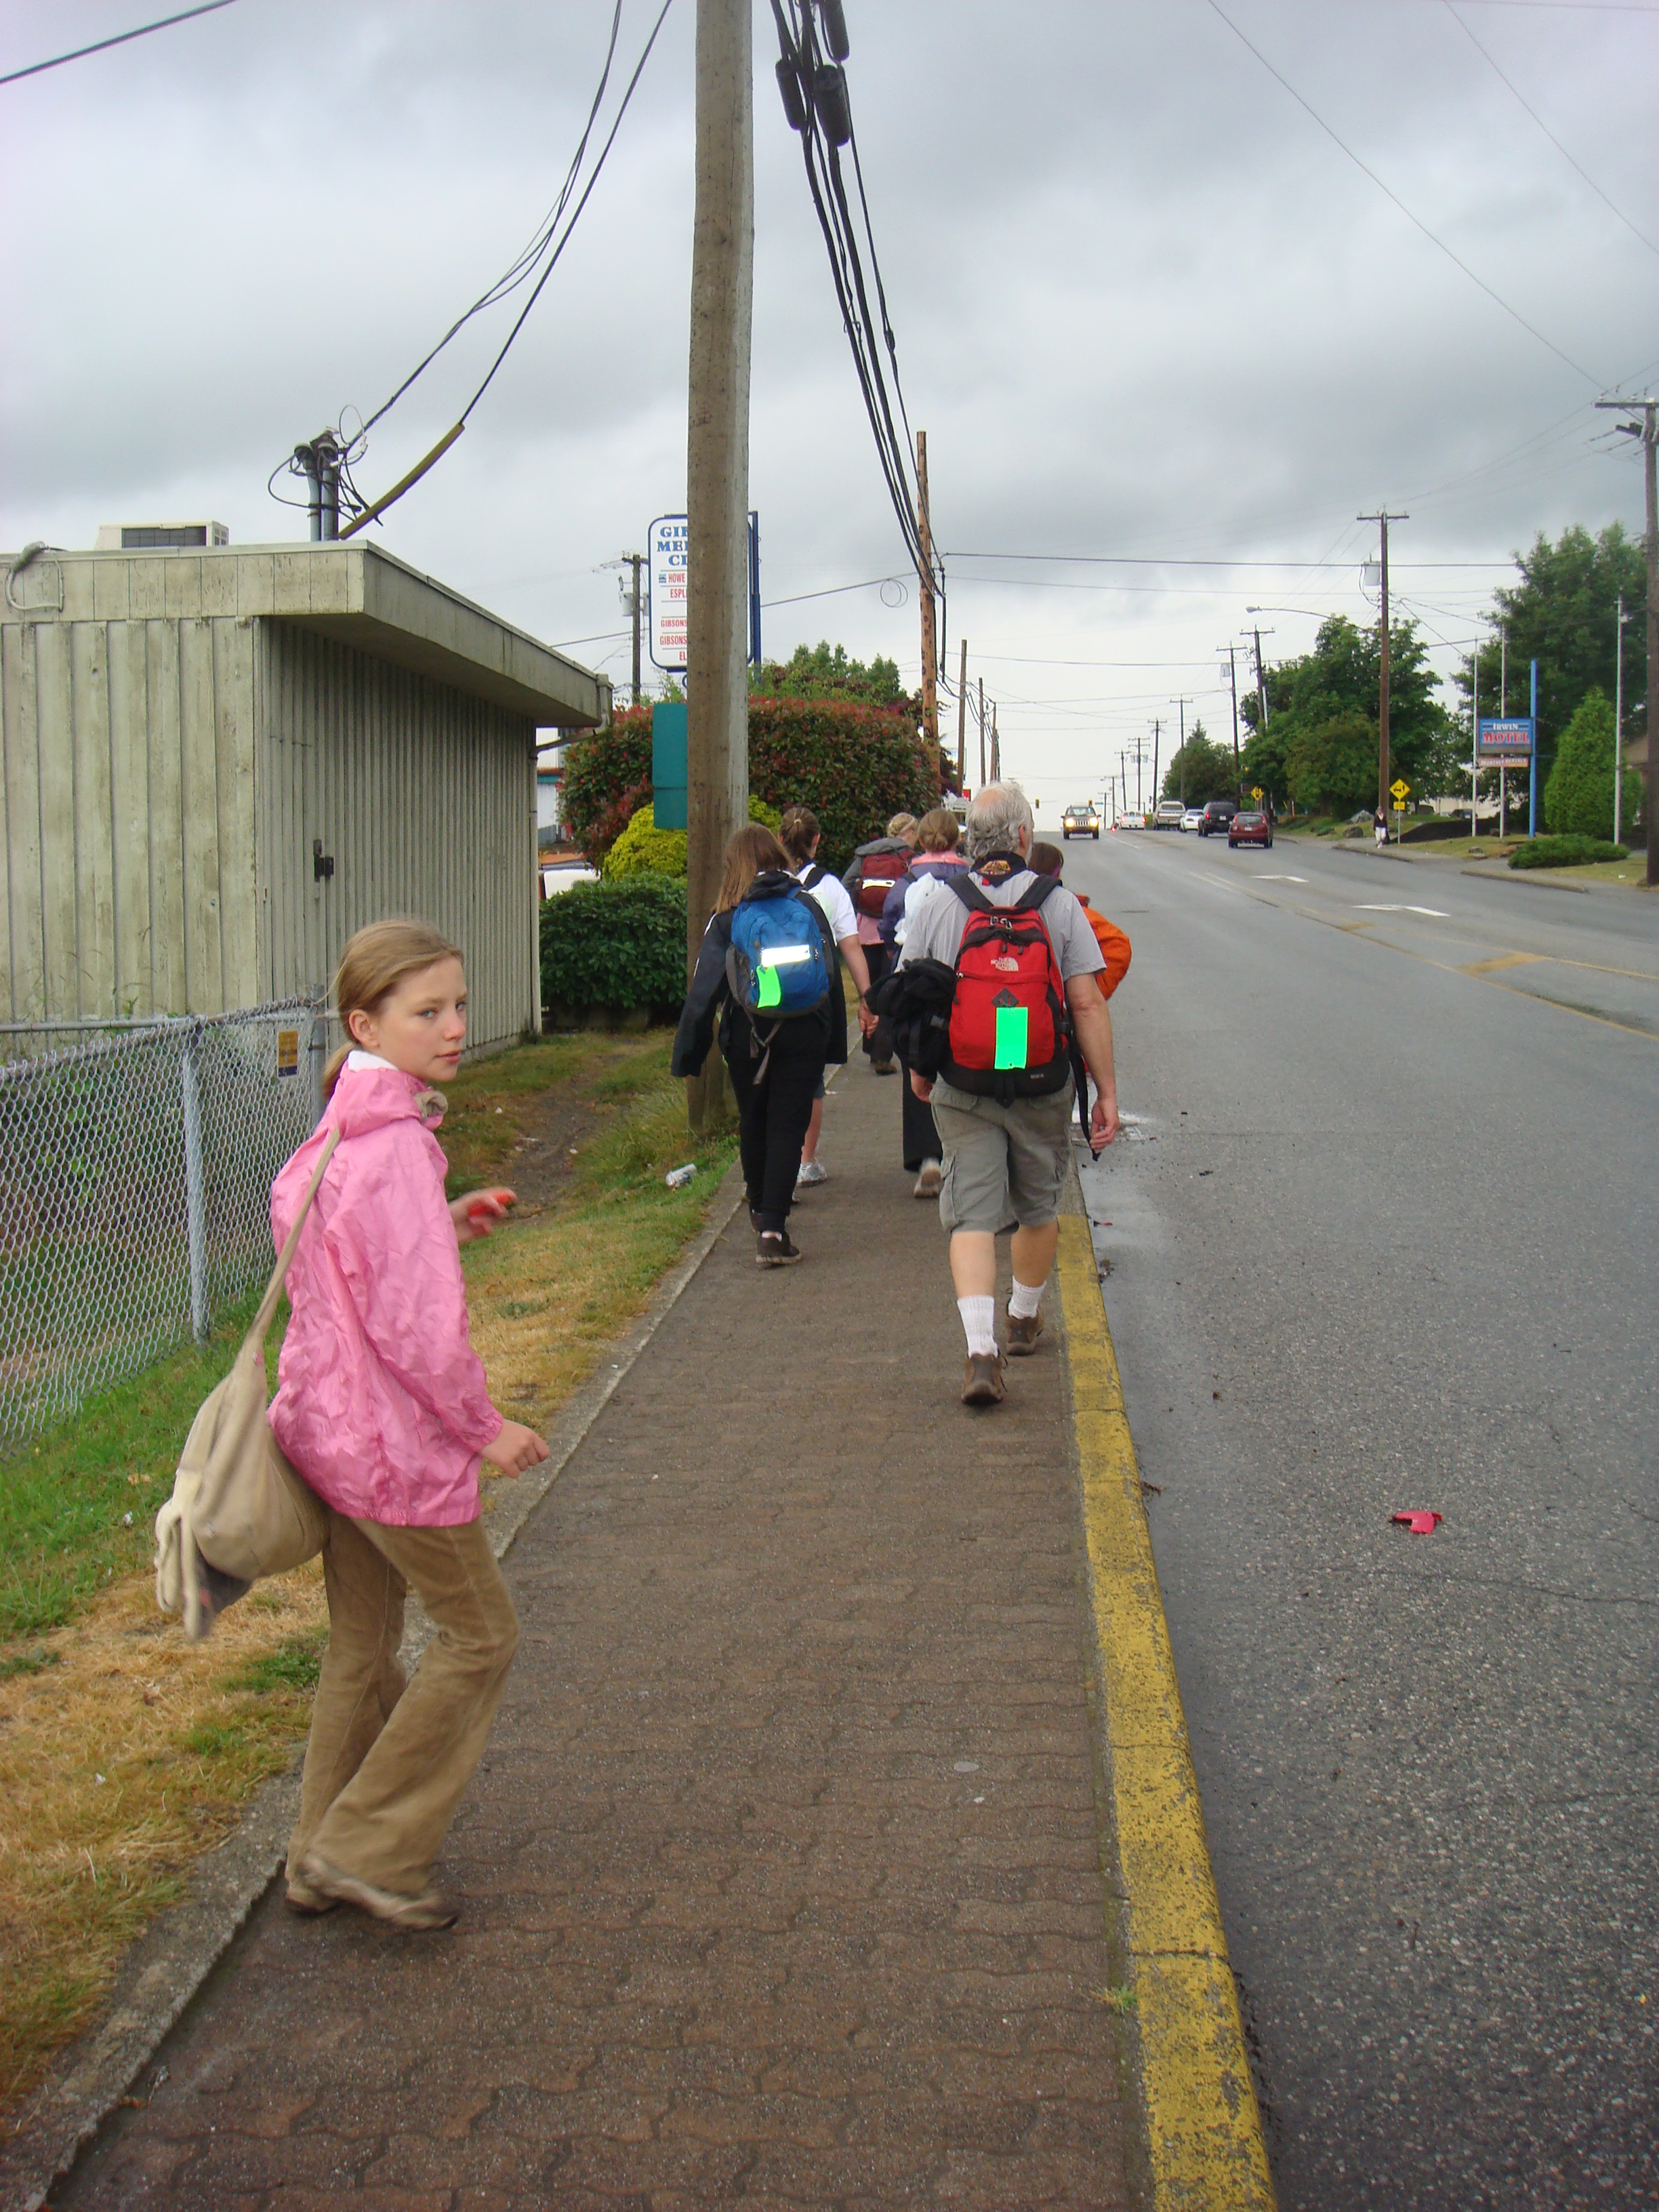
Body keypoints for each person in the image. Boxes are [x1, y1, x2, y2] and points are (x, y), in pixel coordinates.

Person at [270, 920, 550, 1931]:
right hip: (391, 1453)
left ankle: (316, 1858)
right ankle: (370, 1851)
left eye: (458, 1005)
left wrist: (445, 1217)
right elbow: (419, 1333)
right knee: (481, 1636)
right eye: (427, 1012)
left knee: (361, 1644)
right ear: (365, 1025)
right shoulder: (392, 1152)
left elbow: (343, 1267)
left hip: (331, 1436)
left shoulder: (343, 1128)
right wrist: (483, 1427)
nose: (455, 1027)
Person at [899, 783, 1120, 1407]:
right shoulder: (1059, 904)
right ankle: (1022, 1317)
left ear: (971, 838)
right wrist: (1106, 1091)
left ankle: (980, 1352)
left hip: (964, 1079)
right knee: (1038, 1204)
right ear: (1024, 836)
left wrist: (919, 1068)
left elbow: (911, 995)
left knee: (971, 1214)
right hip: (1040, 1080)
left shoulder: (940, 903)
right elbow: (1086, 1003)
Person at [672, 823, 835, 1265]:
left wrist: (688, 1054)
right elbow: (828, 973)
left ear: (734, 866)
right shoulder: (807, 904)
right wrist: (833, 1042)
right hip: (804, 1029)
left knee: (754, 1120)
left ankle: (759, 1208)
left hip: (746, 1034)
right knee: (788, 1125)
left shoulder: (726, 917)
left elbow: (703, 991)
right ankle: (773, 1232)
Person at [777, 805, 876, 1188]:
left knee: (775, 1072)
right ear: (816, 840)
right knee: (812, 1075)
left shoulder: (764, 880)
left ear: (780, 838)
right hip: (817, 994)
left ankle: (775, 1162)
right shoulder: (830, 887)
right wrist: (867, 999)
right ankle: (805, 1161)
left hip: (770, 990)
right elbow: (851, 947)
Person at [879, 807, 970, 1197]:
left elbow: (888, 922)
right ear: (957, 839)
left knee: (918, 1062)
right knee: (966, 1066)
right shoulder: (970, 878)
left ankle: (927, 1158)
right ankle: (963, 1154)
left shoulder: (909, 880)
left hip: (922, 984)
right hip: (966, 985)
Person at [1028, 842, 1132, 1141]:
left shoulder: (988, 901)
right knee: (1045, 1136)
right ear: (1058, 873)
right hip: (1054, 1031)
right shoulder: (1066, 907)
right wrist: (1088, 989)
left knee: (1007, 1084)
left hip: (1005, 1023)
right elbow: (1118, 946)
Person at [842, 812, 918, 1072]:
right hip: (891, 933)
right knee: (888, 991)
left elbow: (846, 884)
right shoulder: (909, 857)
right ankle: (882, 1055)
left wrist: (859, 906)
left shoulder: (865, 855)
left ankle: (869, 1042)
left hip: (864, 931)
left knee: (869, 990)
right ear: (910, 833)